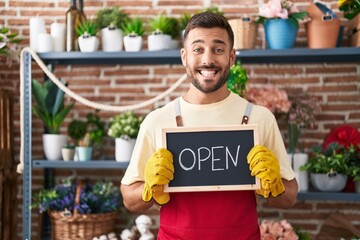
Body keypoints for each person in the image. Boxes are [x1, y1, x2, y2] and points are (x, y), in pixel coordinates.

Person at [120, 12, 298, 240]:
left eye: (218, 49)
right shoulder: (157, 120)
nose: (207, 60)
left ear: (232, 57)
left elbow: (289, 197)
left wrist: (275, 185)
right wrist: (148, 191)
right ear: (184, 56)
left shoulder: (259, 118)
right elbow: (129, 198)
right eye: (198, 49)